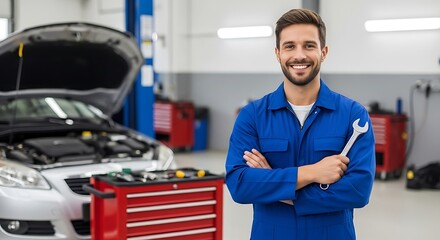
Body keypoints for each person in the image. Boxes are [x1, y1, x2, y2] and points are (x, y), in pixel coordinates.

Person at [225, 8, 375, 240]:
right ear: (277, 53)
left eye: (309, 45)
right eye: (289, 46)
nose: (299, 55)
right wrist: (313, 173)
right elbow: (240, 184)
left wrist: (276, 186)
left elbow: (358, 190)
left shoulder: (352, 115)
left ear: (323, 52)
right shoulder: (252, 116)